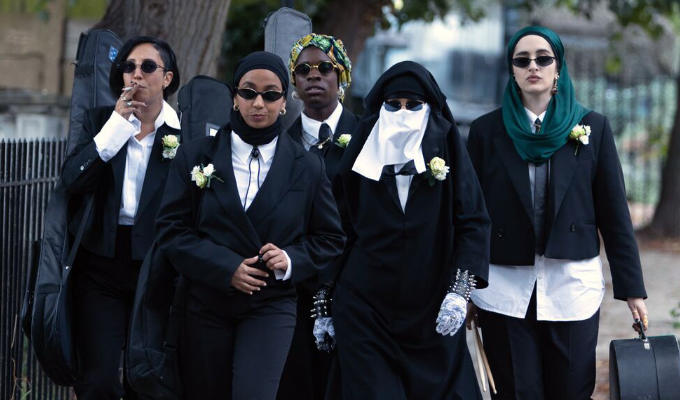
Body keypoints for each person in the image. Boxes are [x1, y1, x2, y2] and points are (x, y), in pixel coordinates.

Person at [466, 26, 648, 400]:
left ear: (557, 68)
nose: (533, 65)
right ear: (512, 71)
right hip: (503, 289)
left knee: (571, 390)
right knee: (516, 392)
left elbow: (614, 215)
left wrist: (633, 290)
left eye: (543, 58)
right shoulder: (486, 132)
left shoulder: (592, 128)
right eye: (522, 60)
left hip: (572, 287)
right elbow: (470, 215)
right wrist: (464, 287)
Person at [154, 51, 345, 400]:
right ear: (234, 98)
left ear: (285, 102)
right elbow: (171, 230)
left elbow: (330, 238)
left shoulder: (308, 166)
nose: (259, 103)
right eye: (249, 92)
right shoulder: (196, 155)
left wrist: (290, 260)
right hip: (206, 303)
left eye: (271, 94)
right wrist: (226, 268)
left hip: (271, 305)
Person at [330, 61, 490, 399]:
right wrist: (323, 301)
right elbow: (337, 228)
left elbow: (473, 221)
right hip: (366, 307)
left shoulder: (446, 143)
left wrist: (459, 292)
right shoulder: (363, 145)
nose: (402, 113)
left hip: (431, 307)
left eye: (413, 105)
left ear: (428, 108)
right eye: (394, 105)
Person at [60, 36, 180, 399]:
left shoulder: (183, 134)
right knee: (98, 379)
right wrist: (116, 126)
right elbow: (73, 179)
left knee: (144, 378)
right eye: (128, 67)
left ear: (168, 78)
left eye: (147, 67)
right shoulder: (102, 122)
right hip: (102, 262)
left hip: (155, 266)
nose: (136, 75)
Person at [277, 33, 359, 400]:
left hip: (353, 288)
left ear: (341, 76)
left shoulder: (368, 135)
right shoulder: (279, 145)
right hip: (294, 287)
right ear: (293, 82)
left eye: (325, 67)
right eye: (303, 69)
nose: (314, 75)